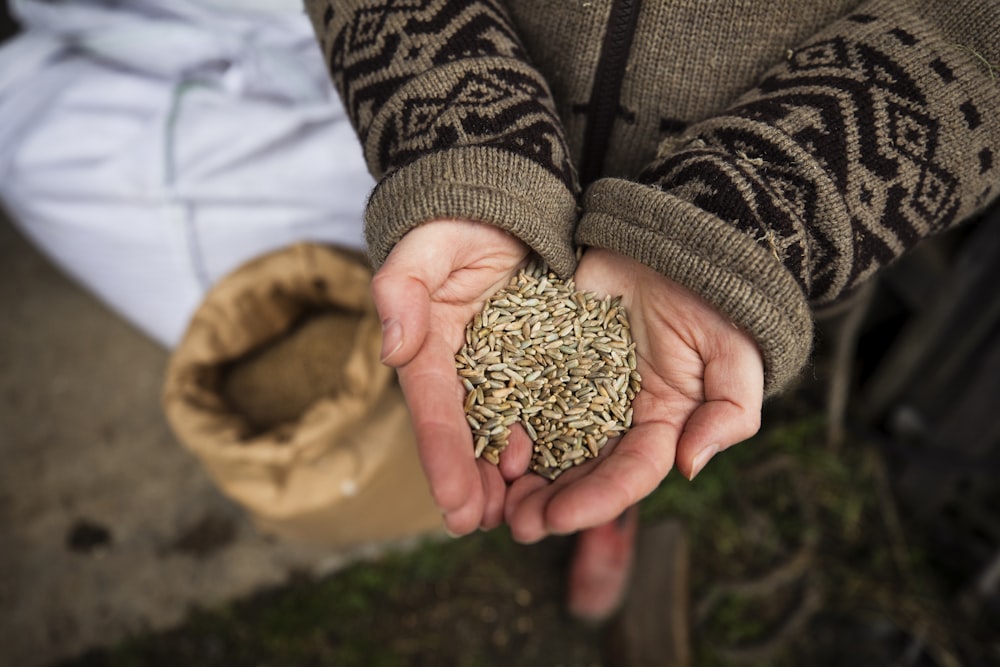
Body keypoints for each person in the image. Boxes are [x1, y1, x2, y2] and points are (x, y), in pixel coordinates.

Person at [304, 0, 1000, 619]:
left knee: (667, 407)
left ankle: (617, 508)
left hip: (759, 238)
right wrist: (450, 118)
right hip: (491, 155)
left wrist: (774, 200)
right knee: (448, 359)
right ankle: (560, 480)